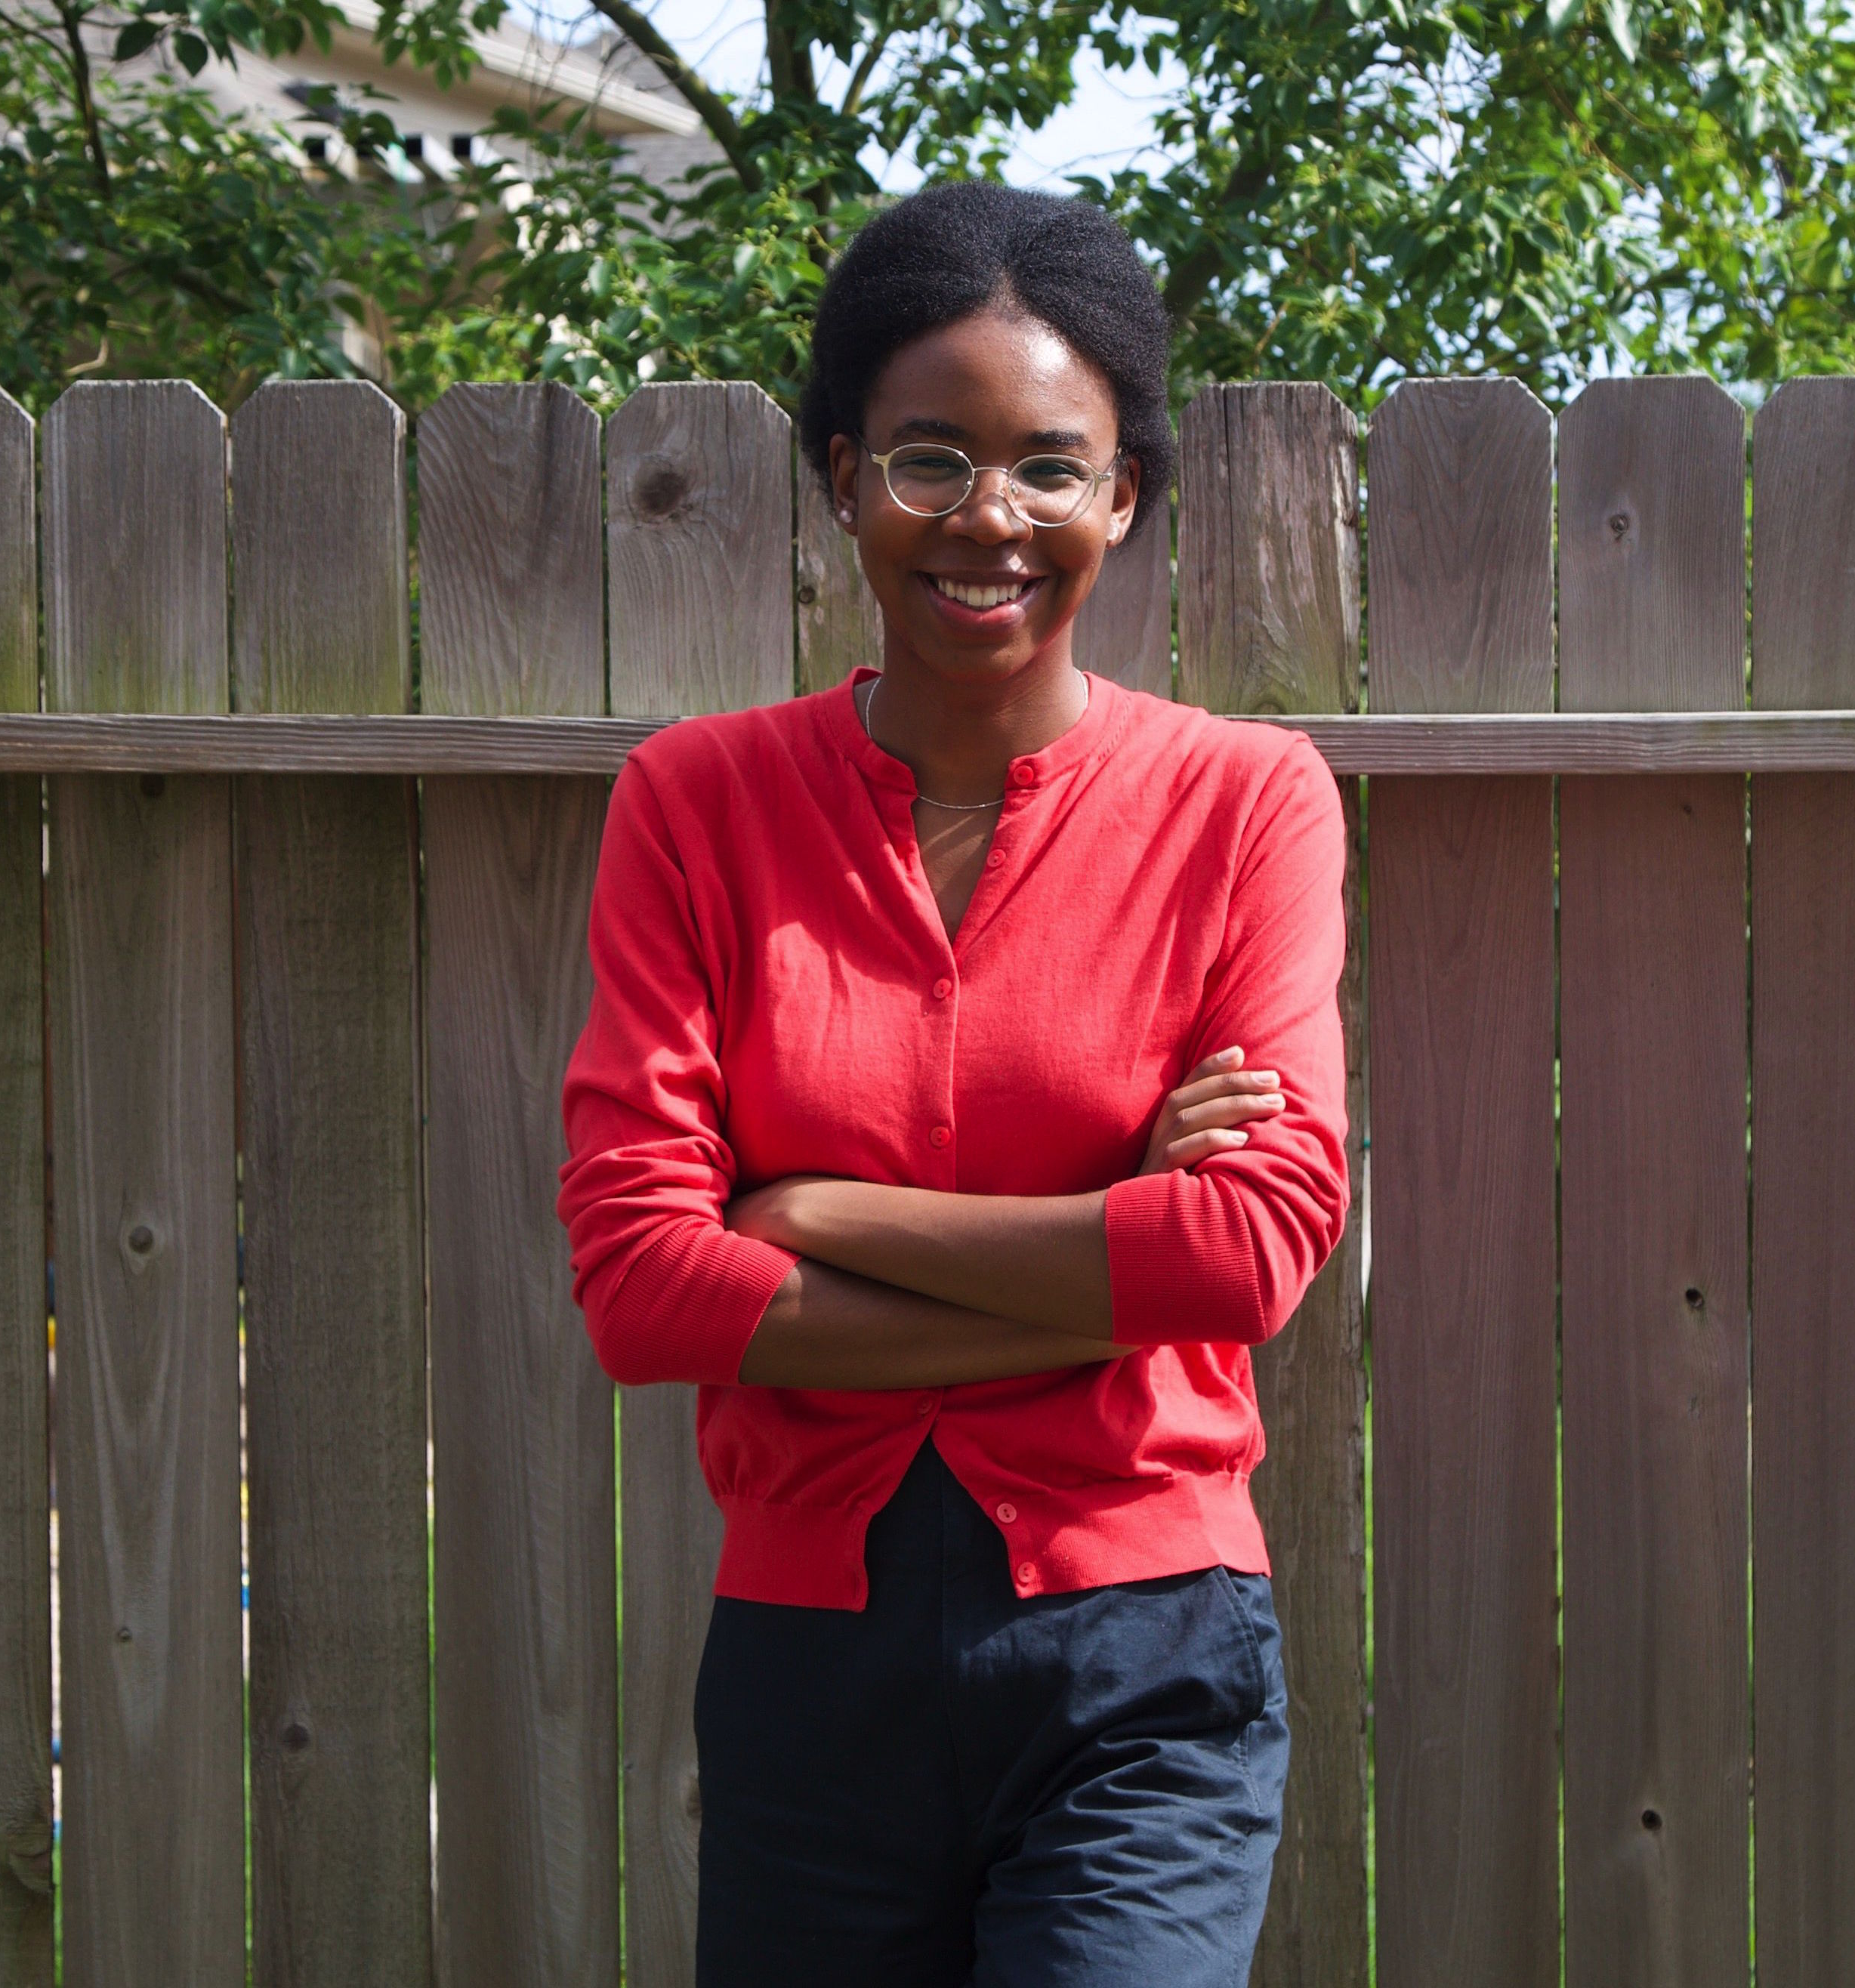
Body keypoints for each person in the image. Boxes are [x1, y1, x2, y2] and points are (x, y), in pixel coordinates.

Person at [554, 178, 1350, 1988]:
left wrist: (814, 1217)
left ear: (1122, 497)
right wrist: (1102, 1273)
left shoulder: (1245, 804)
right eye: (928, 458)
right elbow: (638, 1279)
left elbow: (1249, 1250)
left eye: (1048, 466)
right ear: (842, 474)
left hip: (1141, 1657)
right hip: (806, 1670)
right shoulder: (697, 803)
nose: (986, 517)